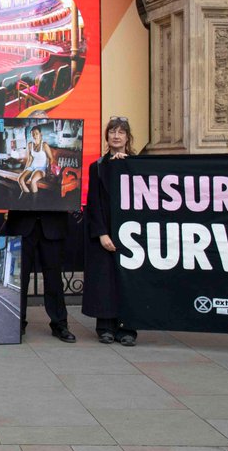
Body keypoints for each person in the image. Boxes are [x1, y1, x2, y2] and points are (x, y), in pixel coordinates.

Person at [83, 116, 138, 346]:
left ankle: (127, 328)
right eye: (112, 132)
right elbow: (93, 203)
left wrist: (124, 166)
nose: (116, 136)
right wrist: (102, 233)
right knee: (103, 280)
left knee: (129, 282)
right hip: (104, 233)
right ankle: (104, 327)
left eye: (121, 132)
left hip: (132, 235)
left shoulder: (138, 165)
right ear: (106, 137)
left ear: (127, 137)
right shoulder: (96, 167)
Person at [9, 207, 75, 343]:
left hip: (53, 222)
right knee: (20, 277)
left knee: (54, 279)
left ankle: (59, 324)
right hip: (22, 222)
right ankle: (17, 323)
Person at [20, 127, 54, 195]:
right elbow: (30, 159)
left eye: (36, 134)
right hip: (32, 167)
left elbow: (51, 158)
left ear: (40, 134)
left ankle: (34, 201)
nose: (35, 136)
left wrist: (49, 171)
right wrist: (25, 170)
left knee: (33, 181)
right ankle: (28, 196)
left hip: (41, 168)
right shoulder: (30, 145)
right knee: (20, 180)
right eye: (33, 134)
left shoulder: (44, 145)